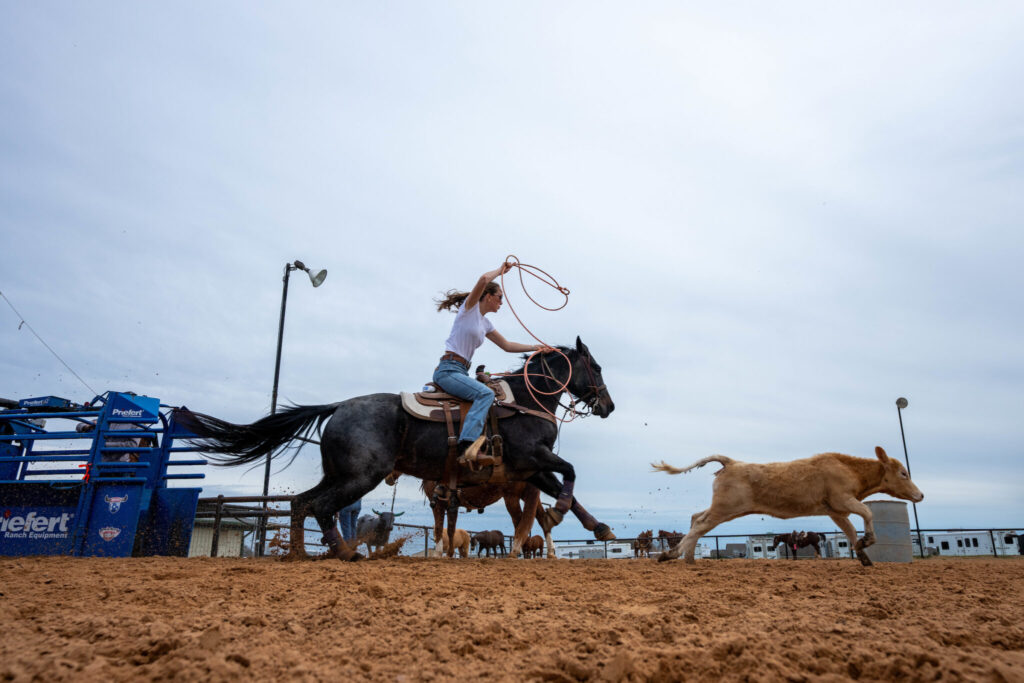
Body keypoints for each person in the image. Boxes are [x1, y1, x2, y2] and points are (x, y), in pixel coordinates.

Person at [433, 262, 547, 466]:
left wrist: (536, 347)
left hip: (460, 370)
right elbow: (484, 280)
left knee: (489, 395)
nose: (502, 302)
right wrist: (501, 270)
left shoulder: (485, 323)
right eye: (500, 297)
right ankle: (467, 446)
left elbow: (506, 345)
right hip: (449, 370)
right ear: (488, 296)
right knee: (485, 394)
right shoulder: (469, 309)